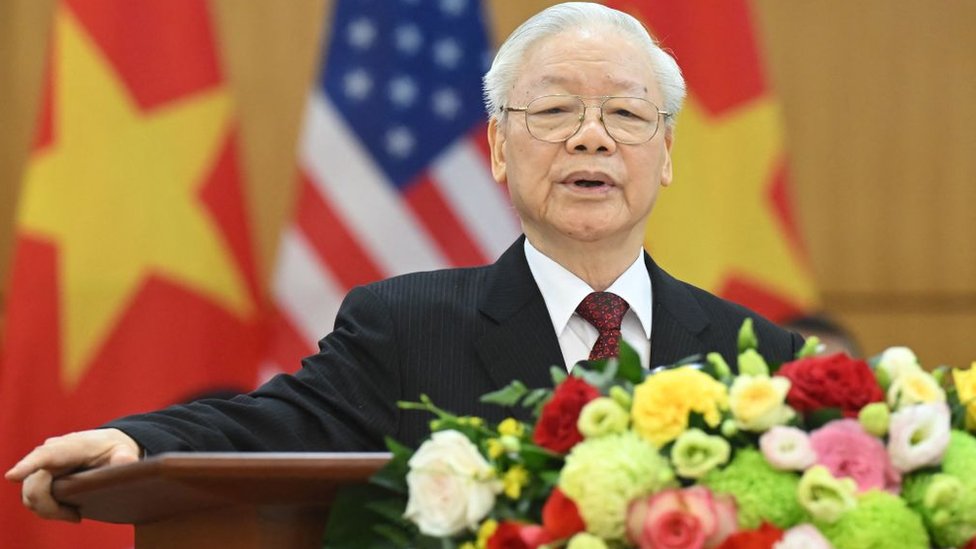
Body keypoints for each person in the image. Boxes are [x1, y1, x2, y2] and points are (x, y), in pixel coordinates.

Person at [6, 2, 804, 522]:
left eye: (626, 114)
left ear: (665, 152)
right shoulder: (408, 326)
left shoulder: (757, 354)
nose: (589, 136)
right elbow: (275, 422)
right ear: (496, 147)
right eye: (555, 109)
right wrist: (135, 441)